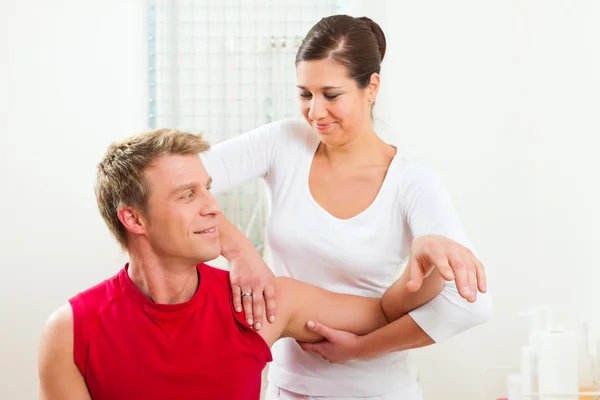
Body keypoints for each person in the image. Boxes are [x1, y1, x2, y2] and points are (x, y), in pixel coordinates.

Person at [199, 14, 493, 399]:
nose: (315, 112)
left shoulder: (411, 181)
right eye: (305, 94)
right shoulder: (283, 142)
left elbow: (471, 305)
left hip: (378, 390)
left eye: (331, 95)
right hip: (289, 388)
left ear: (371, 87)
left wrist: (359, 348)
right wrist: (240, 253)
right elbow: (180, 182)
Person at [37, 129, 446, 400]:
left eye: (208, 190)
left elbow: (382, 311)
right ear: (134, 219)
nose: (213, 206)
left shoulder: (261, 303)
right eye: (187, 195)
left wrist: (428, 267)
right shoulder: (71, 331)